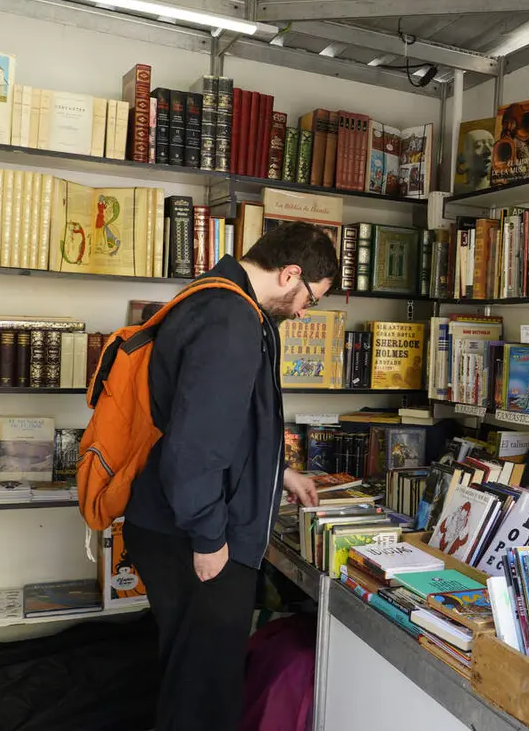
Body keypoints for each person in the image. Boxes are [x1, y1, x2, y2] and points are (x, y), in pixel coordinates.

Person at [122, 221, 338, 731]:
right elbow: (195, 447)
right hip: (195, 538)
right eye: (312, 297)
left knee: (192, 681)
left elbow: (226, 422)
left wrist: (278, 473)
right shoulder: (231, 320)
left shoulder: (220, 300)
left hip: (177, 523)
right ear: (290, 274)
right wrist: (208, 537)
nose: (306, 311)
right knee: (204, 695)